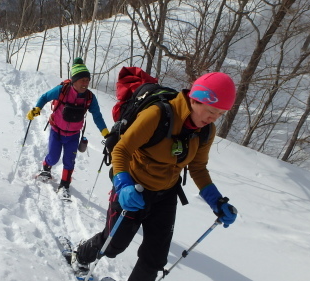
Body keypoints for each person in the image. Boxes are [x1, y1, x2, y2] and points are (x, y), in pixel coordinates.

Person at [72, 72, 239, 280]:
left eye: (220, 114)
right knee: (114, 244)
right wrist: (123, 185)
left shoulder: (206, 131)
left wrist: (217, 201)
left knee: (155, 258)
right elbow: (121, 150)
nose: (214, 119)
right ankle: (81, 256)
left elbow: (198, 168)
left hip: (166, 194)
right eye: (212, 111)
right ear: (196, 99)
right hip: (134, 187)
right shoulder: (158, 115)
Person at [26, 58, 109, 199]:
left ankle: (64, 185)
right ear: (74, 81)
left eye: (87, 80)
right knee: (53, 156)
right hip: (56, 130)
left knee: (69, 160)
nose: (85, 83)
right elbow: (45, 97)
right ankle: (46, 168)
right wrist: (37, 108)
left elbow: (97, 116)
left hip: (73, 135)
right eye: (82, 80)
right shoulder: (62, 90)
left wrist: (106, 133)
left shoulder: (89, 97)